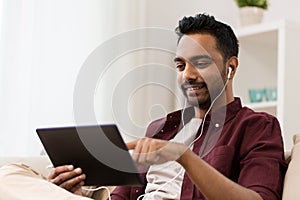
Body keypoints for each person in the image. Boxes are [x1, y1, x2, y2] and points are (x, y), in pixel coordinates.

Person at [0, 13, 286, 200]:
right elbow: (121, 197)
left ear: (230, 67)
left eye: (200, 63)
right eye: (180, 65)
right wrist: (79, 191)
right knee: (9, 173)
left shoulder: (257, 126)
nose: (186, 75)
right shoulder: (162, 128)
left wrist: (185, 157)